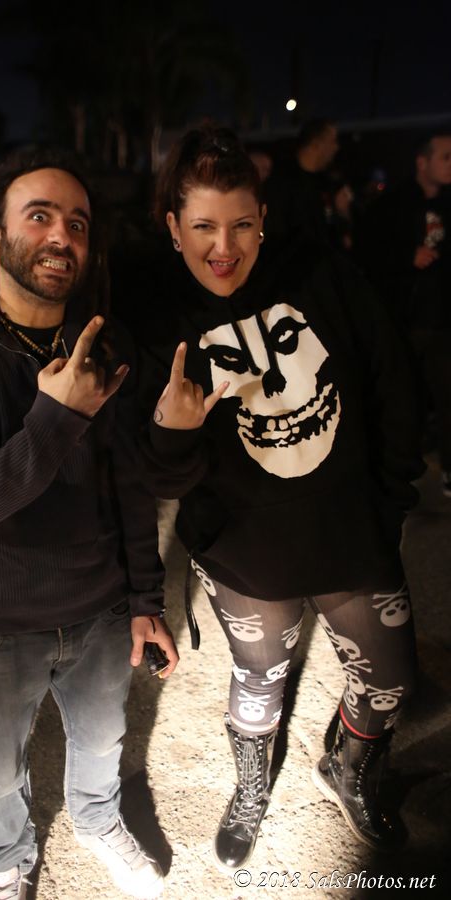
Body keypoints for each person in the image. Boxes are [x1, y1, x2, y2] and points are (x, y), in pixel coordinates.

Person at [134, 126, 423, 874]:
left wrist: (390, 500)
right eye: (203, 226)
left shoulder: (323, 273)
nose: (222, 247)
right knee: (258, 686)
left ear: (262, 217)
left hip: (348, 534)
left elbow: (393, 379)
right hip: (244, 555)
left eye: (240, 224)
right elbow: (157, 477)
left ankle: (349, 767)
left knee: (391, 680)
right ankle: (251, 787)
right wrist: (171, 430)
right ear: (174, 227)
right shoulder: (160, 322)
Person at [0, 150, 178, 900]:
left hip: (100, 609)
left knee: (102, 742)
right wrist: (55, 417)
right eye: (40, 216)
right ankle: (4, 862)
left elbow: (128, 484)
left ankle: (96, 821)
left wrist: (146, 600)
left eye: (78, 224)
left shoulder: (105, 344)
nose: (62, 235)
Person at [359, 130, 451, 497]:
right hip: (404, 320)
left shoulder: (448, 203)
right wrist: (406, 257)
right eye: (445, 157)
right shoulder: (392, 205)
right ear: (422, 162)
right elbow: (368, 253)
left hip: (442, 320)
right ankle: (399, 470)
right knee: (402, 400)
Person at [263, 118, 339, 248]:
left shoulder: (325, 184)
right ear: (316, 143)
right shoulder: (282, 184)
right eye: (332, 141)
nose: (336, 148)